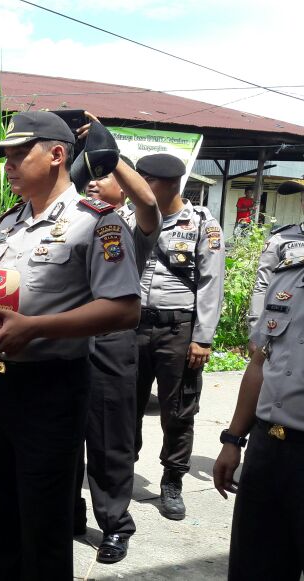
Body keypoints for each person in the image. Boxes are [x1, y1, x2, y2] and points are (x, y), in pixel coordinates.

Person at [0, 111, 142, 580]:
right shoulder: (5, 223)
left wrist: (36, 327)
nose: (6, 164)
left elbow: (124, 308)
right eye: (3, 155)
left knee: (43, 521)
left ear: (56, 154)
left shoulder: (97, 222)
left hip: (50, 387)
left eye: (16, 153)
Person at [76, 123, 162, 563]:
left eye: (104, 174)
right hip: (65, 343)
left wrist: (110, 150)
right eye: (89, 173)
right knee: (62, 435)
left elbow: (148, 201)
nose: (94, 179)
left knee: (110, 441)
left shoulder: (130, 225)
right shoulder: (70, 221)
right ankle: (70, 512)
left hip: (110, 344)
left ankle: (115, 524)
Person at [133, 153, 225, 522]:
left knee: (178, 411)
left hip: (179, 330)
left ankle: (172, 480)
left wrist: (202, 338)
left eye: (146, 181)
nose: (137, 188)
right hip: (133, 327)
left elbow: (211, 283)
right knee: (126, 405)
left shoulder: (202, 223)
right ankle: (123, 472)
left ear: (170, 184)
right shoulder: (128, 217)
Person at [212, 254, 304, 580]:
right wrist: (233, 439)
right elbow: (260, 362)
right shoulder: (289, 276)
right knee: (254, 567)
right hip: (268, 448)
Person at [247, 188, 304, 335]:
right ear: (302, 203)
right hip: (286, 333)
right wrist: (256, 329)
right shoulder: (281, 240)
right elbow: (262, 286)